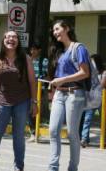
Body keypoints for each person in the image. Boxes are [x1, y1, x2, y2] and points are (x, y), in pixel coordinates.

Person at [0, 30, 38, 171]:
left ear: (18, 41)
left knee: (18, 136)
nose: (11, 39)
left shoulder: (25, 58)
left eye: (14, 37)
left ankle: (18, 166)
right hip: (2, 102)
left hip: (22, 102)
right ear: (3, 41)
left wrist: (34, 102)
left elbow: (32, 81)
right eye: (7, 37)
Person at [47, 20, 91, 171]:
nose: (55, 32)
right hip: (60, 93)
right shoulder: (59, 51)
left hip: (75, 94)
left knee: (72, 134)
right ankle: (53, 167)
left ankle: (72, 168)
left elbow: (85, 73)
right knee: (53, 130)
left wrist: (63, 79)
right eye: (53, 30)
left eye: (57, 29)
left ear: (66, 29)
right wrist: (54, 83)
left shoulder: (79, 48)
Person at [79, 54, 105, 147]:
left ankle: (103, 140)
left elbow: (101, 85)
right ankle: (84, 139)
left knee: (104, 120)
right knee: (87, 119)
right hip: (92, 100)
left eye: (92, 61)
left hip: (101, 99)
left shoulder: (103, 73)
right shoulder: (89, 73)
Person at [27, 42, 49, 142]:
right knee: (29, 110)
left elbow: (46, 75)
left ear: (39, 50)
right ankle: (33, 132)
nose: (32, 51)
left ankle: (36, 133)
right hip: (27, 88)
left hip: (39, 89)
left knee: (36, 110)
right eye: (31, 49)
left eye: (35, 49)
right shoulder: (27, 60)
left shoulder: (44, 61)